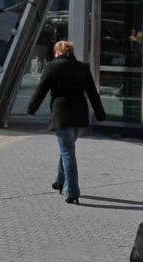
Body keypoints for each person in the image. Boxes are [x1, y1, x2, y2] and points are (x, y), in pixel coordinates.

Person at [26, 40, 106, 204]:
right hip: (80, 116)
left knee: (68, 151)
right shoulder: (82, 67)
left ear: (57, 52)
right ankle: (59, 181)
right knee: (67, 148)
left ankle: (72, 191)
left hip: (62, 115)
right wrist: (100, 113)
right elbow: (92, 93)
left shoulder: (51, 67)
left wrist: (31, 108)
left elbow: (41, 90)